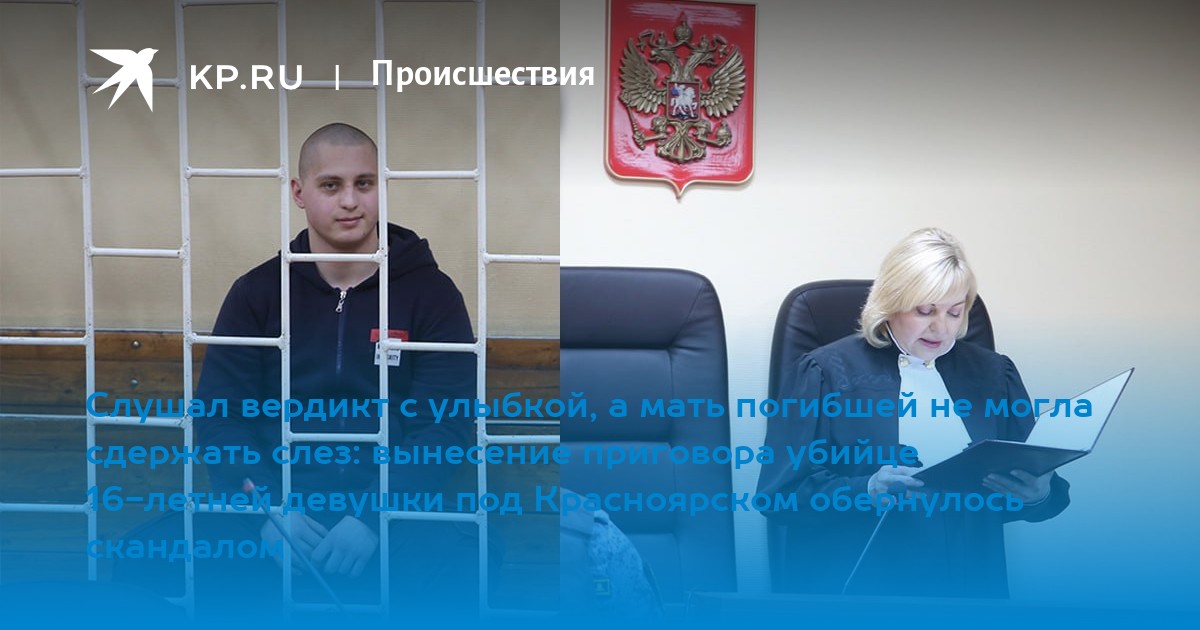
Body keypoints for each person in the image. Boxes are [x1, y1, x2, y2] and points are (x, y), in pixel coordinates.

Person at [117, 123, 479, 617]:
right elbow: (221, 416)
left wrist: (373, 515)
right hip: (278, 507)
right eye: (331, 185)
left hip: (392, 509)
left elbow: (445, 425)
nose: (350, 201)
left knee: (462, 559)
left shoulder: (432, 295)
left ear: (382, 188)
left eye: (364, 183)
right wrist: (268, 511)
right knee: (146, 556)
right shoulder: (257, 293)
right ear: (299, 192)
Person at [756, 227, 1070, 598]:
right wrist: (866, 489)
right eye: (925, 311)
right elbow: (778, 495)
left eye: (955, 312)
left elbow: (1035, 489)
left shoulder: (994, 374)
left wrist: (1037, 495)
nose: (941, 327)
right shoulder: (825, 372)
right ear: (890, 302)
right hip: (863, 596)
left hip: (972, 594)